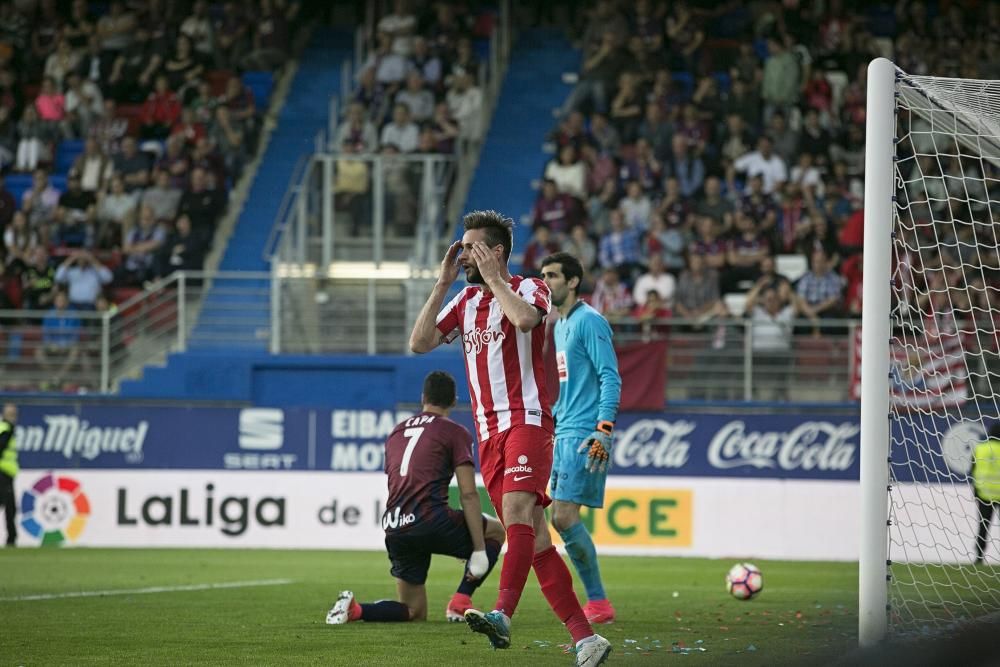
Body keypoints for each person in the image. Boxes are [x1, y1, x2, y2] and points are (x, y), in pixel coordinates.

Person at [408, 210, 611, 665]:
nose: (462, 255)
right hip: (489, 435)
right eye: (461, 247)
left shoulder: (528, 288)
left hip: (528, 421)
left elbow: (524, 321)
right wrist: (442, 283)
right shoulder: (463, 303)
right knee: (537, 542)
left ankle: (502, 612)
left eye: (471, 247)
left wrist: (495, 277)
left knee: (518, 510)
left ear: (496, 252)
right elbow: (419, 343)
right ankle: (585, 638)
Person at [326, 371, 506, 624]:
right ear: (454, 401)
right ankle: (461, 600)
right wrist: (477, 548)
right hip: (432, 520)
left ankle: (356, 610)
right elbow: (468, 493)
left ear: (423, 398)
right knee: (496, 531)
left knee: (413, 611)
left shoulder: (396, 432)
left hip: (396, 526)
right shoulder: (455, 432)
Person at [539, 252, 622, 624]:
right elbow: (569, 380)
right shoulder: (559, 324)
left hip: (585, 431)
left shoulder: (590, 321)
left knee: (564, 515)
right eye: (543, 275)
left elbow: (610, 376)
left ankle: (599, 602)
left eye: (553, 275)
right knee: (558, 515)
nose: (546, 281)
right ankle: (596, 600)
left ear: (572, 281)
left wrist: (603, 429)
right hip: (564, 427)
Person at [972, 422, 1000, 565]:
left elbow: (973, 470)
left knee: (983, 527)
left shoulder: (980, 449)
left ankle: (979, 557)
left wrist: (975, 491)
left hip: (984, 494)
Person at [0, 403, 18, 547]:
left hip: (6, 473)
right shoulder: (7, 429)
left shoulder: (3, 428)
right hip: (3, 473)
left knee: (9, 506)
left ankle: (11, 538)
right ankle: (11, 539)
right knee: (9, 507)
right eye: (12, 414)